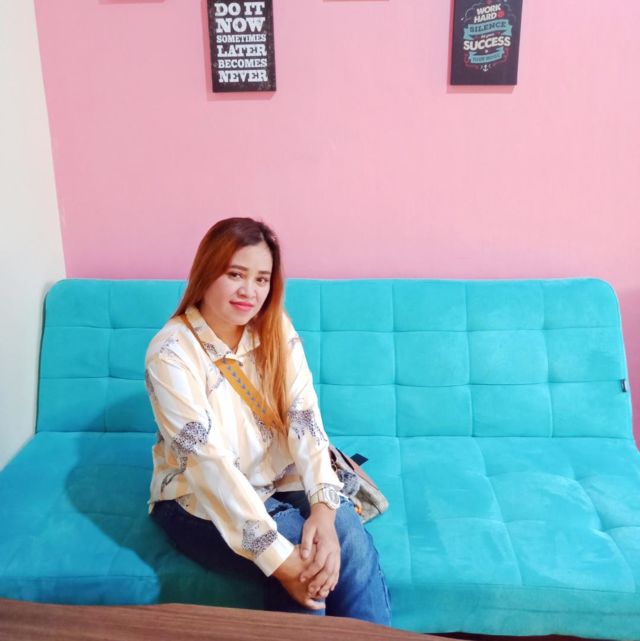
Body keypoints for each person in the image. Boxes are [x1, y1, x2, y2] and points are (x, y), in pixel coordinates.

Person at [145, 217, 391, 623]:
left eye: (262, 279)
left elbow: (304, 419)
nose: (250, 291)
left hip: (277, 476)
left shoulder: (275, 327)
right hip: (197, 499)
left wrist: (324, 511)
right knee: (302, 554)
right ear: (207, 272)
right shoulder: (171, 353)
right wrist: (282, 564)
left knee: (348, 536)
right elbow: (209, 467)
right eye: (235, 274)